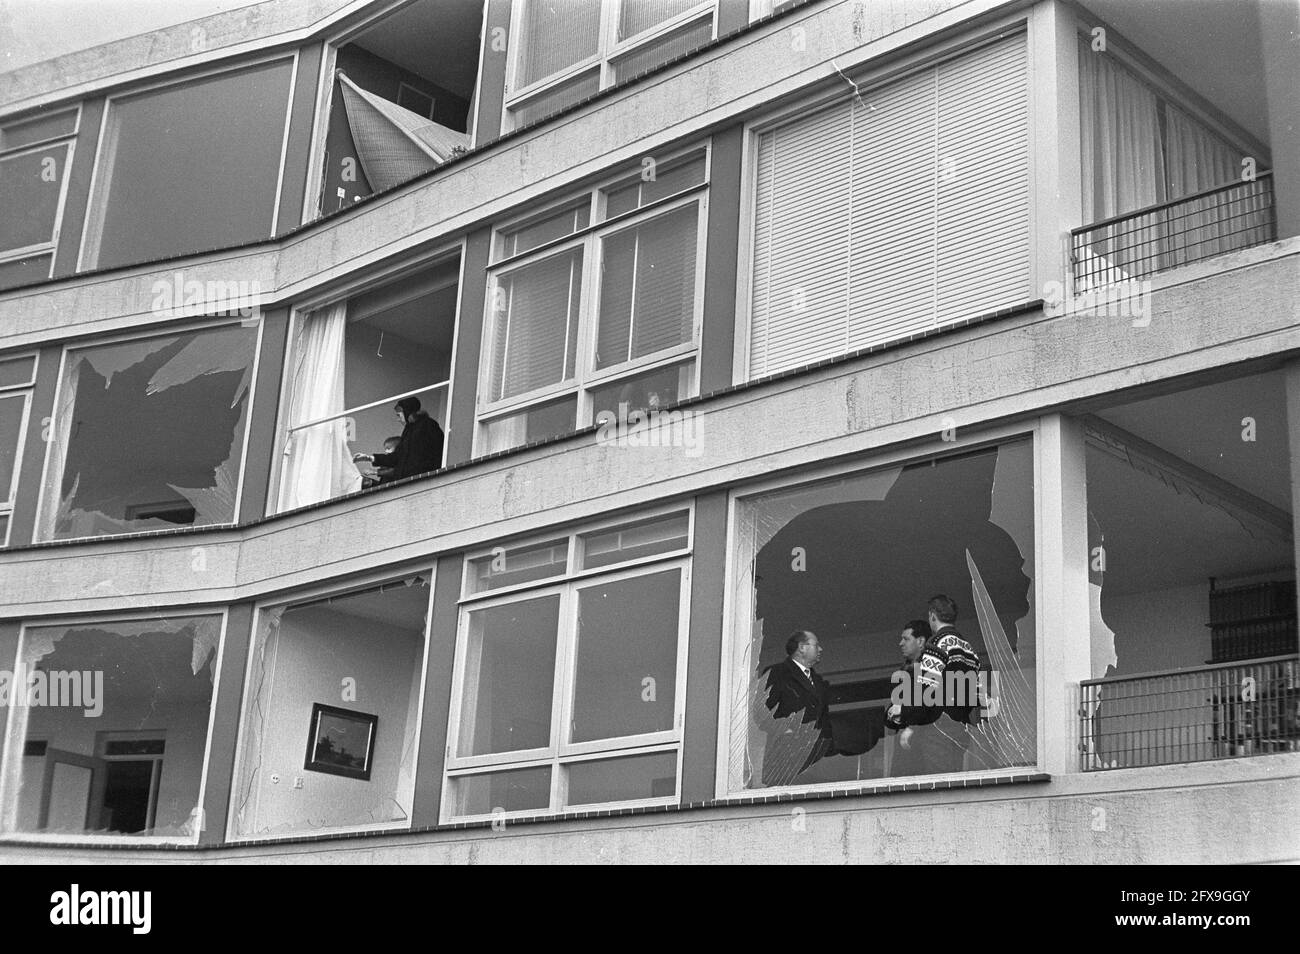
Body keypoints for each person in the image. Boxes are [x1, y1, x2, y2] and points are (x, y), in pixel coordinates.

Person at [754, 630, 836, 786]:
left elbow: (824, 722)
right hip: (786, 759)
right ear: (802, 647)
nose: (821, 649)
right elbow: (760, 712)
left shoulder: (818, 681)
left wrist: (828, 749)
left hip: (817, 761)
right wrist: (783, 729)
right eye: (816, 645)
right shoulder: (777, 673)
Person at [353, 397, 444, 482]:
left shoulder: (428, 425)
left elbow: (432, 455)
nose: (398, 419)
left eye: (399, 415)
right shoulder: (409, 430)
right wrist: (369, 458)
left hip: (422, 481)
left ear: (407, 413)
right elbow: (397, 457)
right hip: (408, 482)